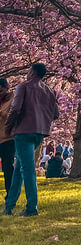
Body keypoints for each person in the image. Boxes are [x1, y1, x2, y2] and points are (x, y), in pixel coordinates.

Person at [3, 62, 59, 217]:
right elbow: (56, 114)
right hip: (39, 132)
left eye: (28, 71)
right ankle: (9, 205)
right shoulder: (50, 91)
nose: (27, 73)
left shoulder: (24, 87)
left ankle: (31, 207)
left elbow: (15, 108)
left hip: (23, 131)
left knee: (27, 170)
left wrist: (8, 127)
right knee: (19, 169)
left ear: (33, 72)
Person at [0, 78, 15, 200]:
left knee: (7, 167)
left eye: (1, 90)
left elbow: (8, 114)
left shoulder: (12, 98)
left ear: (6, 87)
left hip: (7, 138)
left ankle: (10, 193)